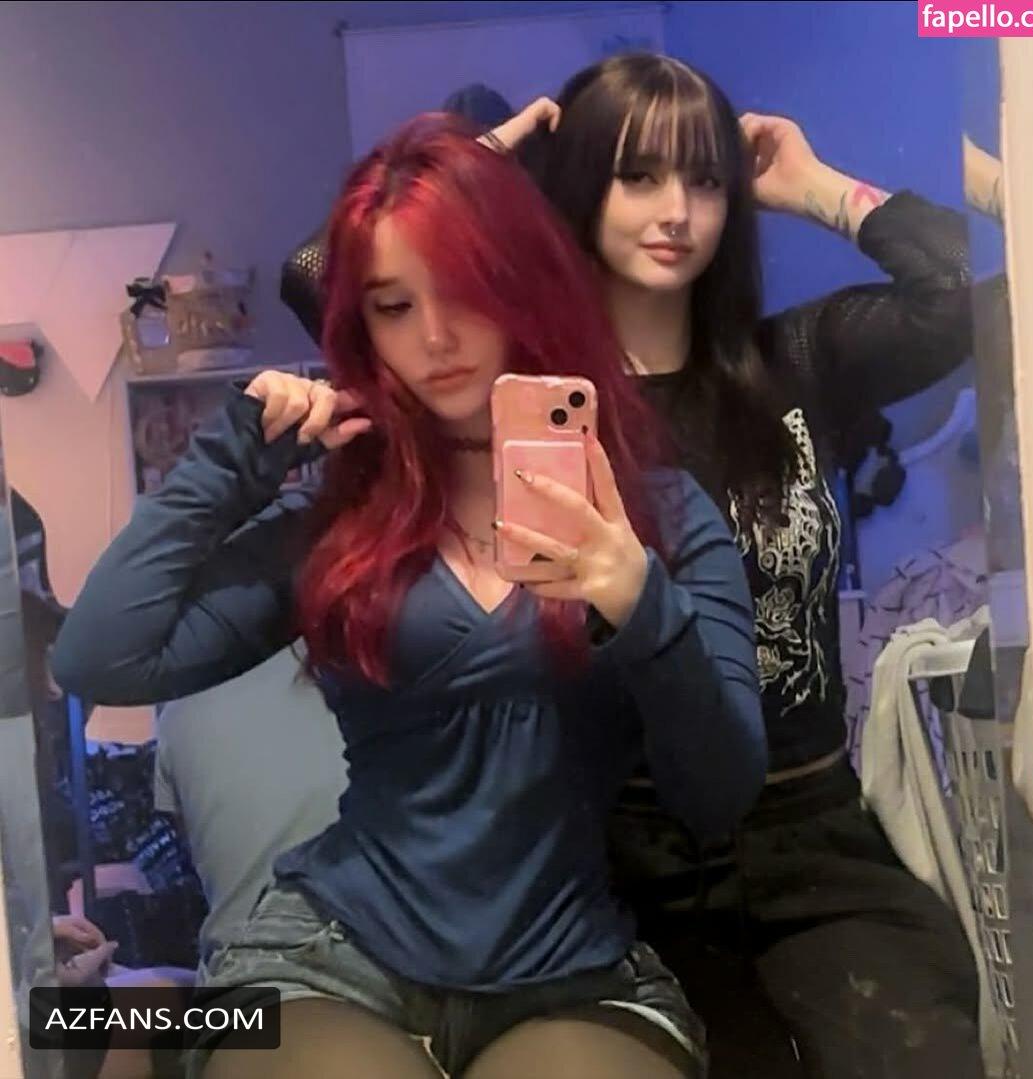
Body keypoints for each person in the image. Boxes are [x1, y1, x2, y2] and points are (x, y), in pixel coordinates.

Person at [279, 53, 985, 1079]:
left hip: (808, 822)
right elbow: (324, 271)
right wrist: (470, 177)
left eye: (705, 178)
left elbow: (962, 293)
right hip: (615, 845)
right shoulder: (526, 395)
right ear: (581, 187)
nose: (677, 211)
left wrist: (815, 186)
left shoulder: (794, 361)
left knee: (928, 1050)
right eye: (638, 176)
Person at [53, 114, 765, 1079]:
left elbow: (719, 793)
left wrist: (640, 603)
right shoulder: (344, 514)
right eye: (393, 305)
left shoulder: (659, 514)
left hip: (569, 971)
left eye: (464, 290)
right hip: (328, 957)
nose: (434, 338)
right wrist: (231, 461)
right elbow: (97, 656)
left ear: (522, 284)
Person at [153, 645, 347, 967]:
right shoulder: (375, 667)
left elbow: (198, 852)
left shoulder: (180, 702)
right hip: (363, 966)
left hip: (240, 972)